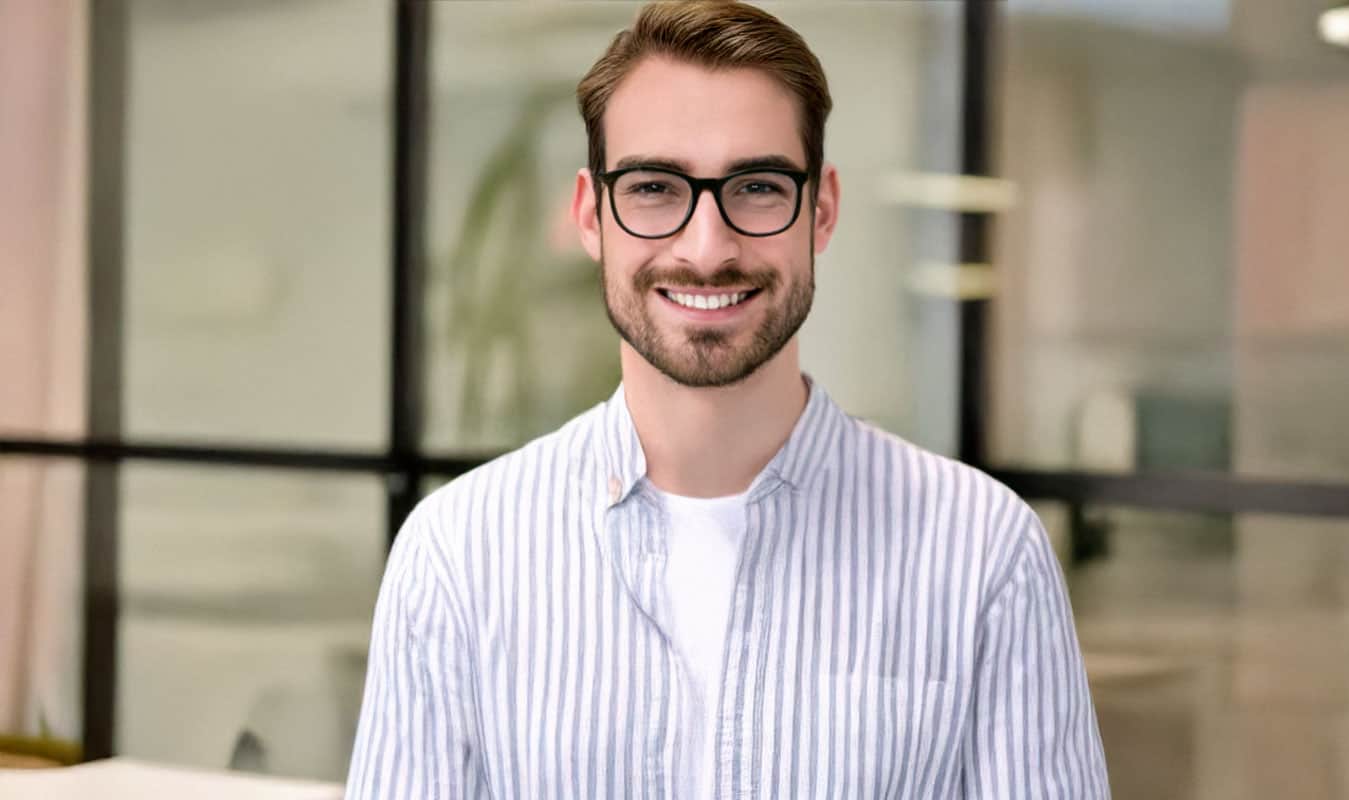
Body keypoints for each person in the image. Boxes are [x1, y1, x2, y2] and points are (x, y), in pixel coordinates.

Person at [345, 2, 1109, 797]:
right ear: (589, 215)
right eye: (651, 187)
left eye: (755, 186)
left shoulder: (984, 554)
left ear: (822, 210)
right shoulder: (458, 555)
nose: (707, 248)